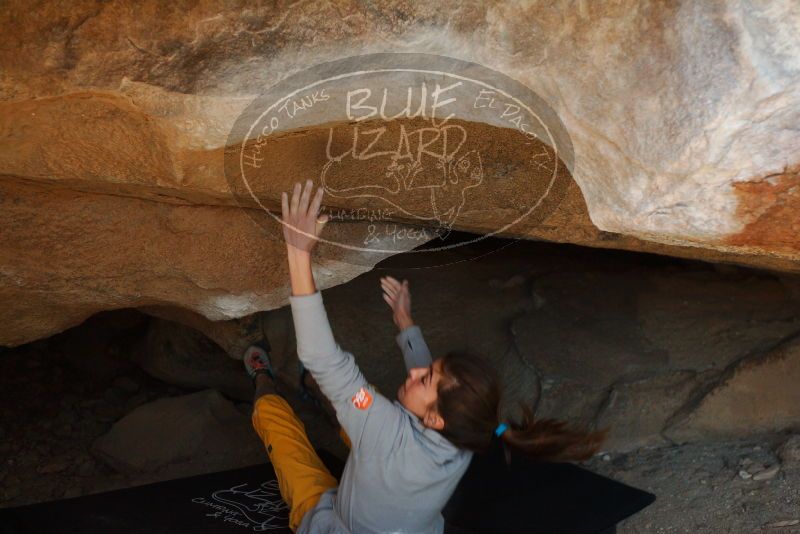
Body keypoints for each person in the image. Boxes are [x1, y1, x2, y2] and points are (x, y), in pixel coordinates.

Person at [244, 179, 609, 533]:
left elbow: (325, 358)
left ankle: (263, 379)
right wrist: (405, 322)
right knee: (358, 408)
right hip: (399, 506)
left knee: (288, 436)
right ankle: (322, 395)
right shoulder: (467, 435)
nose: (414, 374)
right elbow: (427, 389)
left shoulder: (387, 431)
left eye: (425, 379)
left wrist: (298, 250)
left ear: (435, 419)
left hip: (339, 522)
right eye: (428, 370)